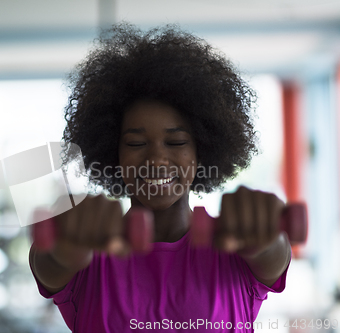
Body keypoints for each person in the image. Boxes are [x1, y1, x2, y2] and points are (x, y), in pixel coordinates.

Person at [28, 23, 291, 332]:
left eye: (176, 142)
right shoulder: (87, 250)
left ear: (201, 152)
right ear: (114, 155)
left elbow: (273, 252)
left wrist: (266, 236)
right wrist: (64, 247)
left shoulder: (236, 242)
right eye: (136, 144)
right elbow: (49, 263)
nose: (155, 159)